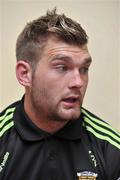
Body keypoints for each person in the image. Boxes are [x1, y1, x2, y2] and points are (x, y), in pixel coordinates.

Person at [0, 8, 120, 180]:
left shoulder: (110, 149)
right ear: (25, 74)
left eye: (84, 69)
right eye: (62, 67)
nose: (78, 82)